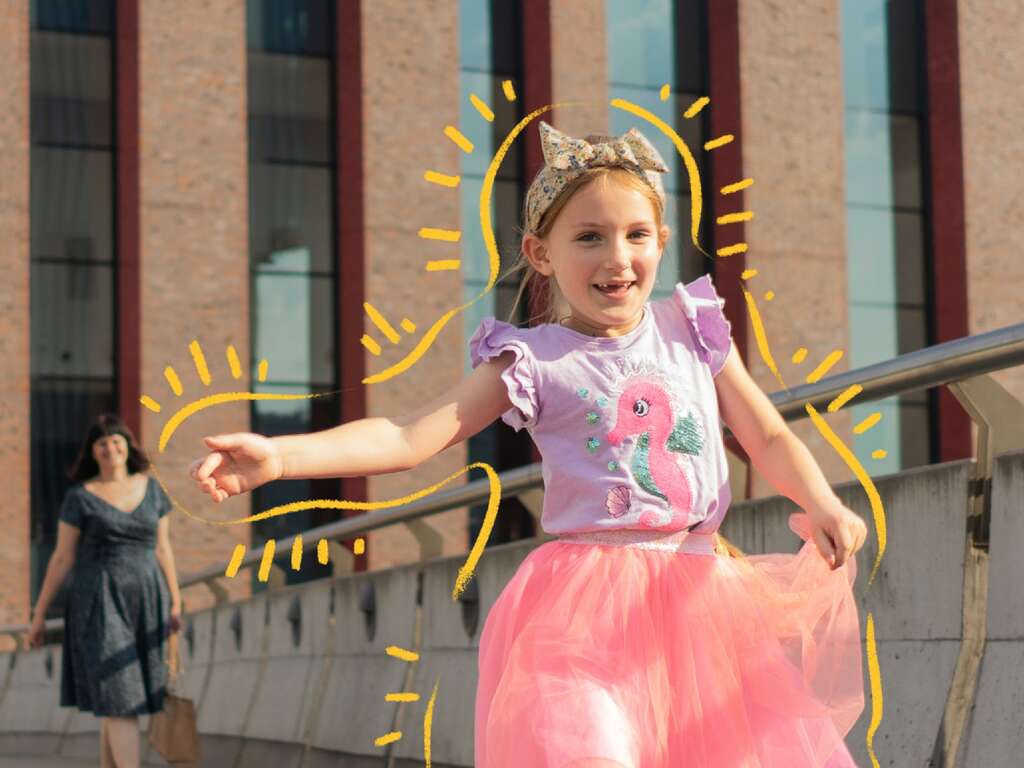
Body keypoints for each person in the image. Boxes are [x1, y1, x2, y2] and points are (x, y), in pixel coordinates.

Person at [189, 122, 868, 766]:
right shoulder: (531, 360)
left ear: (662, 240)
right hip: (583, 611)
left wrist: (821, 501)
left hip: (701, 600)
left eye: (636, 235)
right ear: (541, 254)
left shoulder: (690, 329)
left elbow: (767, 432)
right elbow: (408, 434)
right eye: (589, 238)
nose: (616, 258)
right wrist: (281, 456)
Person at [29, 413, 182, 768]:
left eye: (116, 440)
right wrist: (38, 615)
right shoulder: (80, 497)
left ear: (128, 446)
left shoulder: (153, 489)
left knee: (121, 701)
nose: (110, 447)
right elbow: (62, 557)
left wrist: (176, 600)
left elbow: (163, 548)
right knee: (120, 697)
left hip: (147, 599)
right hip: (98, 601)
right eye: (101, 443)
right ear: (92, 452)